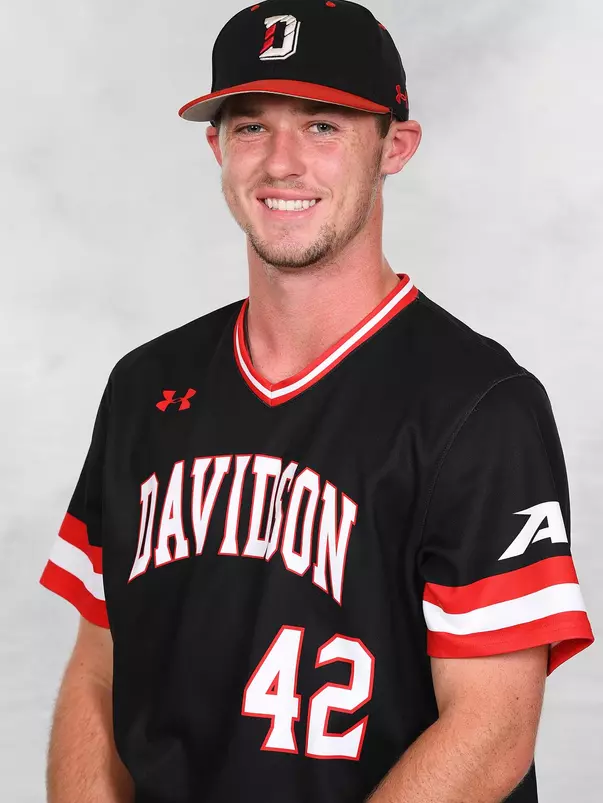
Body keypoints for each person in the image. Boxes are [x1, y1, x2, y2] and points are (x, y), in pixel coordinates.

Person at [39, 1, 594, 801]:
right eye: (251, 126)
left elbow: (492, 725)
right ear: (216, 147)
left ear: (393, 146)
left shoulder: (479, 404)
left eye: (324, 126)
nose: (281, 163)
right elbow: (99, 665)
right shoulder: (142, 387)